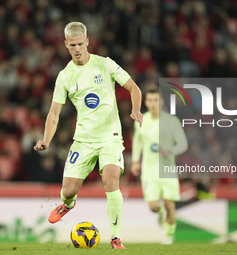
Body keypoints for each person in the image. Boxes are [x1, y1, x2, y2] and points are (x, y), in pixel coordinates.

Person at [34, 22, 143, 249]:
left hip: (110, 137)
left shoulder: (105, 64)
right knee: (68, 190)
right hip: (82, 140)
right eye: (72, 45)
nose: (76, 49)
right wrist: (46, 140)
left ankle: (115, 238)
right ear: (66, 44)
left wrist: (136, 109)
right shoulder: (65, 76)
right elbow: (54, 112)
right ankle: (68, 203)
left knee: (111, 180)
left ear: (87, 42)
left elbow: (133, 87)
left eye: (80, 44)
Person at [131, 87, 187, 244]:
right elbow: (138, 141)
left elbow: (183, 143)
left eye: (156, 100)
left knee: (170, 204)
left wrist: (170, 151)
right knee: (153, 206)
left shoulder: (171, 121)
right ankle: (160, 211)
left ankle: (169, 236)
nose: (153, 103)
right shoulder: (142, 121)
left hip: (168, 170)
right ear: (146, 102)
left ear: (161, 102)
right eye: (150, 100)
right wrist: (135, 161)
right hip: (149, 170)